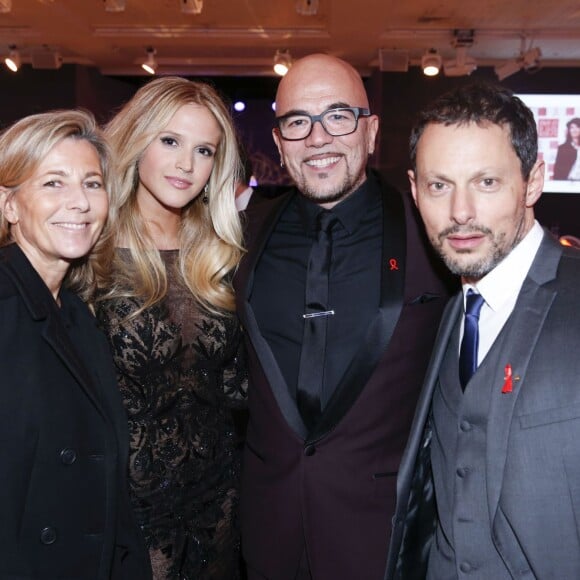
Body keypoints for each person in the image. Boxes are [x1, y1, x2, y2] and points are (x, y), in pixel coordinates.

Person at [233, 53, 455, 580]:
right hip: (268, 535)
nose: (318, 138)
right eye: (298, 122)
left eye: (338, 116)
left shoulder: (434, 237)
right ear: (280, 139)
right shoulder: (240, 237)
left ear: (371, 130)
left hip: (382, 537)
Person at [386, 83, 580, 579]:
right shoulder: (452, 312)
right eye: (439, 185)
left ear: (533, 181)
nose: (460, 212)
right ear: (414, 190)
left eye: (487, 182)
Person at [95, 77, 247, 579]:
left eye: (204, 150)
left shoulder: (222, 250)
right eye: (170, 141)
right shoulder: (89, 245)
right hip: (126, 515)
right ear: (137, 139)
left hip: (218, 509)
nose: (187, 164)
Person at [0, 110, 151, 579]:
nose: (80, 203)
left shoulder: (76, 313)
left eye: (91, 183)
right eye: (53, 183)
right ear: (9, 206)